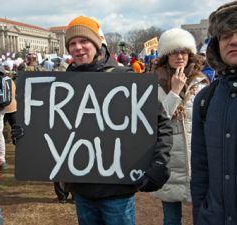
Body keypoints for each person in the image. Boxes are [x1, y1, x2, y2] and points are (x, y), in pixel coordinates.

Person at [55, 15, 172, 225]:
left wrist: (159, 164)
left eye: (84, 41)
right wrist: (28, 132)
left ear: (97, 44)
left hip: (118, 189)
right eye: (72, 43)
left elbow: (161, 123)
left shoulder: (126, 78)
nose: (78, 47)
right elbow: (55, 128)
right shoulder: (62, 86)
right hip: (81, 188)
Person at [151, 28, 209, 225]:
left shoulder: (200, 82)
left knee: (201, 214)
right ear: (166, 56)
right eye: (174, 52)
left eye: (183, 52)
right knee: (172, 217)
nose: (179, 56)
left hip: (197, 159)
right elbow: (157, 120)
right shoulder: (156, 84)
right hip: (169, 160)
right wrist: (174, 92)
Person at [191, 2, 237, 224]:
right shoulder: (204, 100)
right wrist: (201, 216)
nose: (234, 41)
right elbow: (200, 172)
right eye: (226, 35)